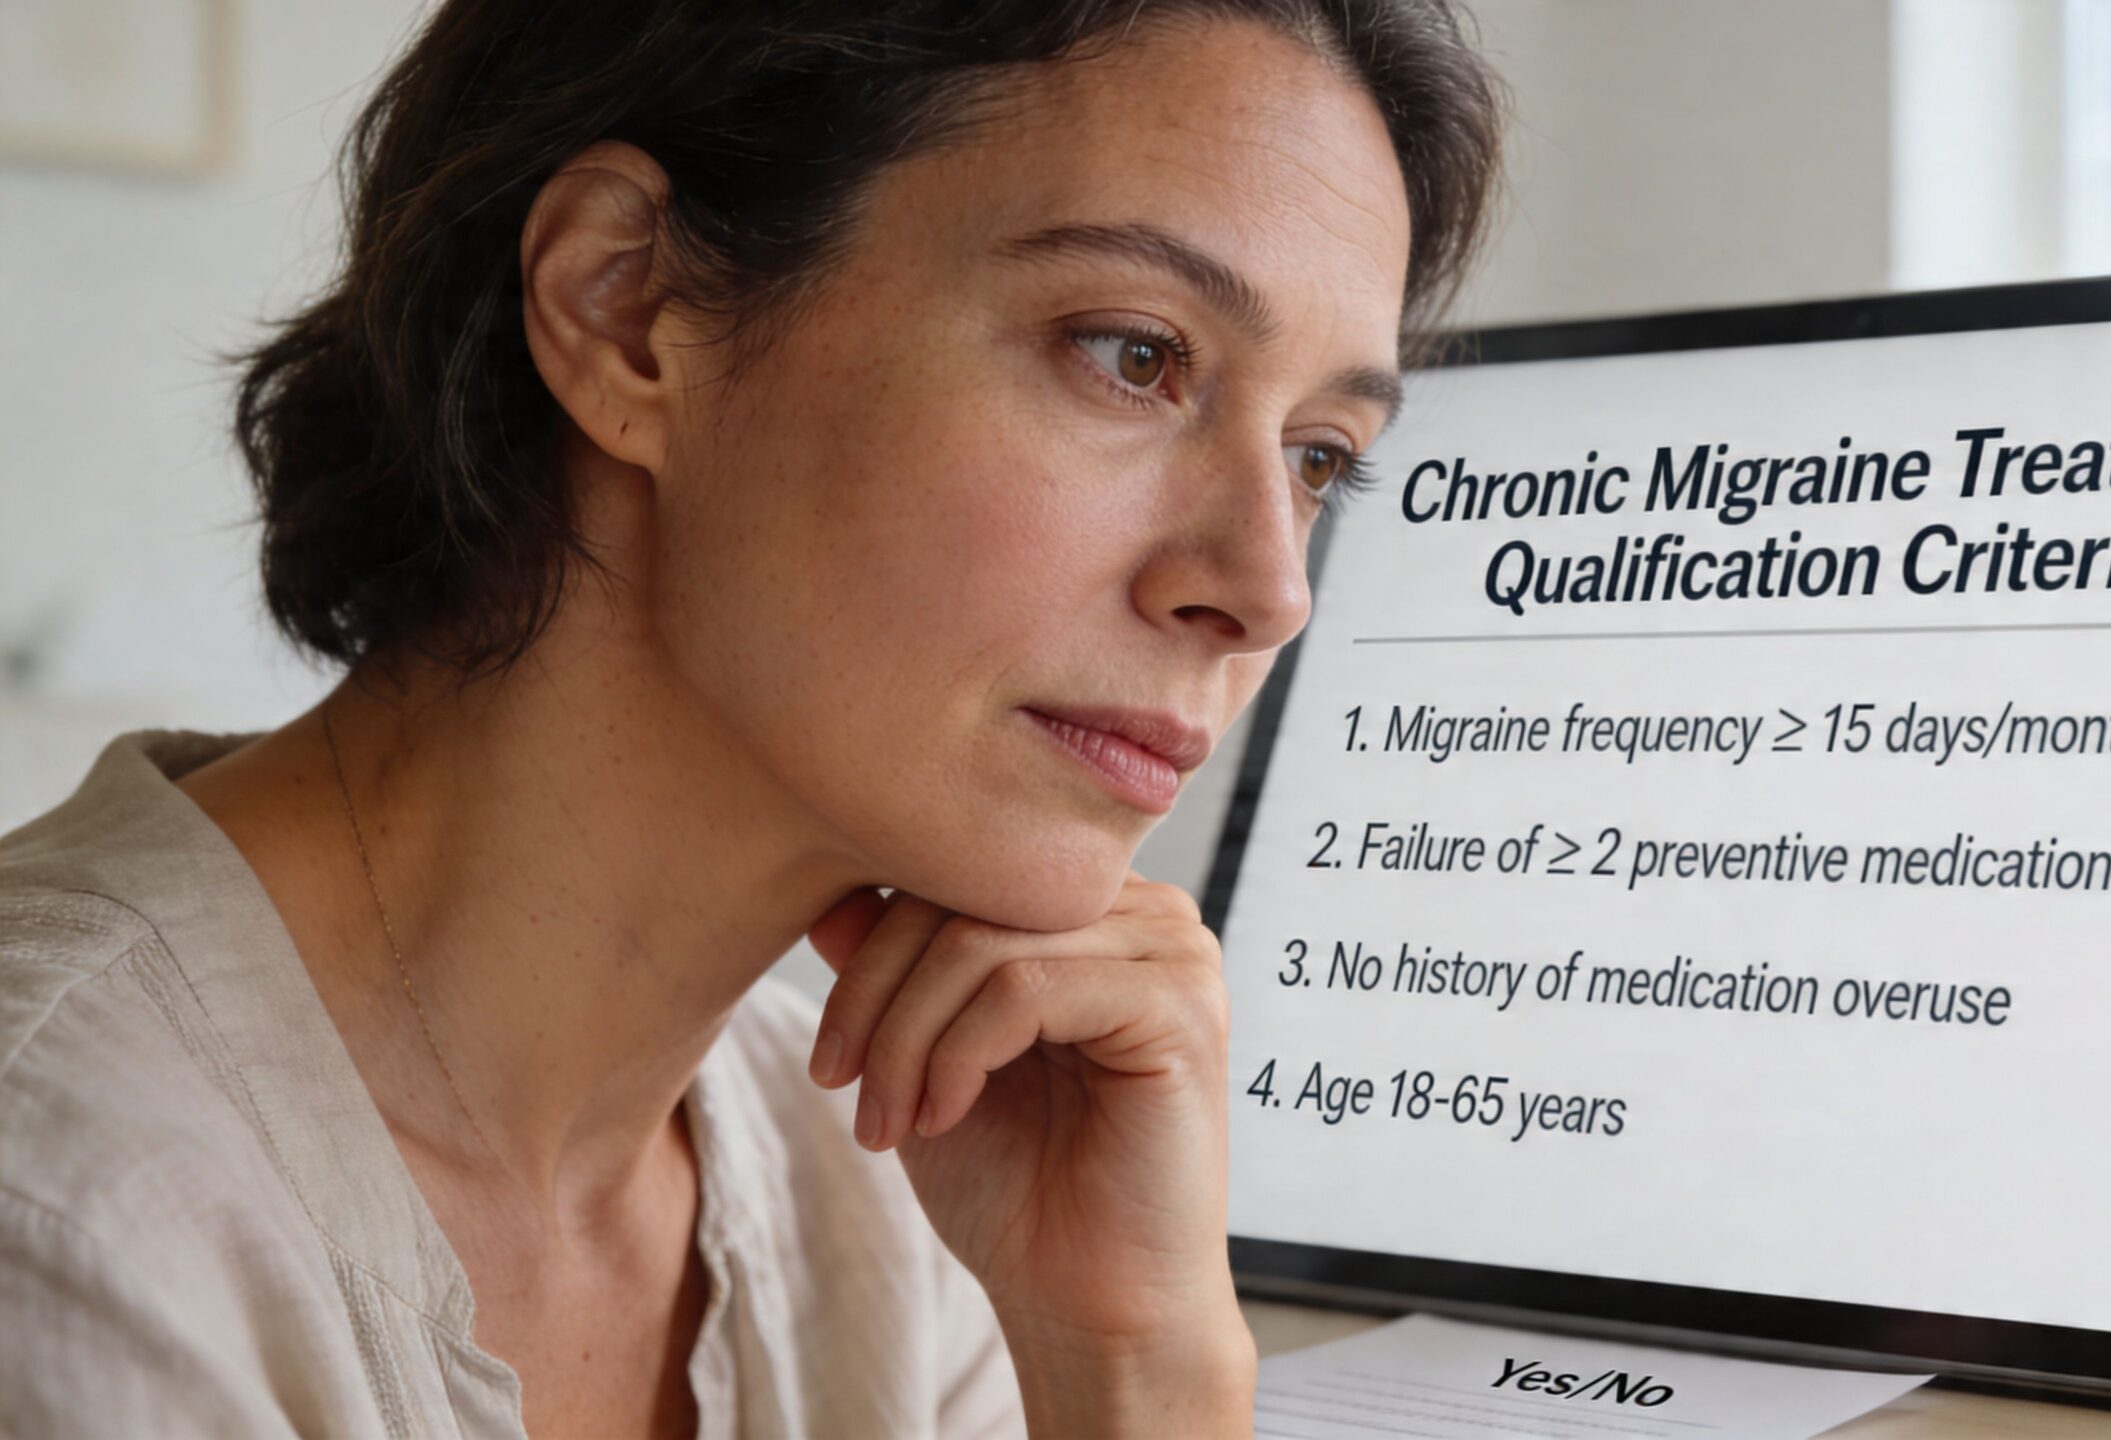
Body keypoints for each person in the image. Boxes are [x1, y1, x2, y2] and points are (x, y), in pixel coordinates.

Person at [0, 2, 1502, 1435]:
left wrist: (1134, 1367)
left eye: (1320, 456)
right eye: (1133, 353)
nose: (1267, 585)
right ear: (628, 304)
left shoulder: (877, 1190)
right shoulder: (64, 1196)